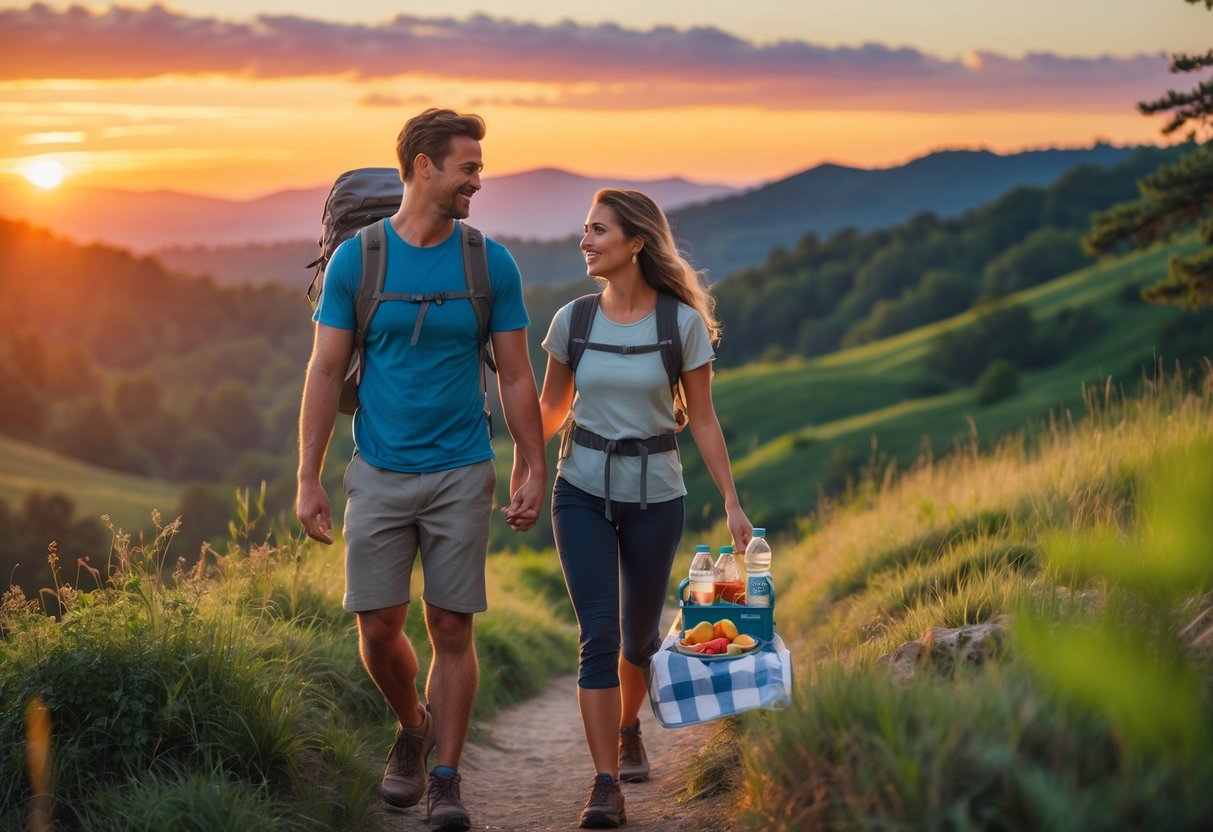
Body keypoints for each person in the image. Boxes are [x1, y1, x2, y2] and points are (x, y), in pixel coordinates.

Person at [296, 108, 546, 832]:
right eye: (467, 166)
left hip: (463, 468)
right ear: (423, 166)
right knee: (377, 627)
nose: (478, 179)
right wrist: (308, 476)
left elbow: (518, 378)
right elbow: (324, 371)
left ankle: (445, 777)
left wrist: (532, 463)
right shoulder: (359, 260)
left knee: (451, 626)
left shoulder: (487, 262)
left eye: (479, 166)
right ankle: (413, 724)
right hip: (377, 467)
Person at [513, 188, 752, 829]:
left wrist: (732, 501)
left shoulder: (682, 324)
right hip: (581, 489)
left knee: (640, 640)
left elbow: (701, 419)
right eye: (584, 229)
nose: (585, 240)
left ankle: (627, 728)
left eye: (598, 230)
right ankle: (604, 785)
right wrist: (528, 475)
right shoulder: (574, 321)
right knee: (600, 636)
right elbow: (549, 410)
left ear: (636, 243)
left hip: (656, 498)